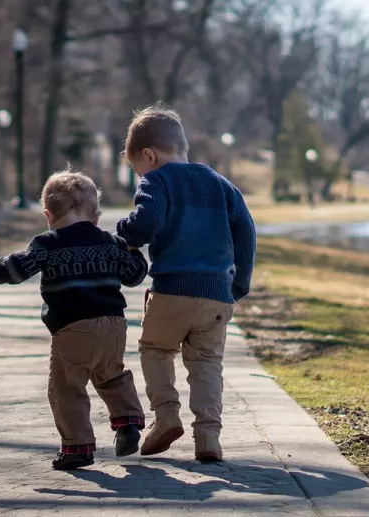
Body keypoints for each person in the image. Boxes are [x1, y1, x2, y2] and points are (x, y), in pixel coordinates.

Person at [0, 170, 148, 470]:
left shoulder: (46, 244)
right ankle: (128, 423)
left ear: (48, 215)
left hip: (73, 329)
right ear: (96, 216)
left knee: (66, 388)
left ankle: (77, 447)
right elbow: (134, 275)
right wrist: (134, 250)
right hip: (114, 327)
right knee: (112, 375)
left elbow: (16, 269)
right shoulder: (109, 242)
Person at [116, 106, 256, 462]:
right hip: (216, 294)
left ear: (150, 156)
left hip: (171, 290)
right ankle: (208, 437)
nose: (140, 175)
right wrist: (239, 283)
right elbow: (246, 231)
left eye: (138, 169)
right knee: (207, 363)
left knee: (156, 349)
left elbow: (145, 224)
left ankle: (165, 417)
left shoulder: (157, 180)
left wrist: (124, 231)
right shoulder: (221, 184)